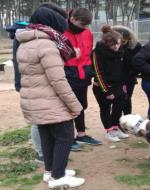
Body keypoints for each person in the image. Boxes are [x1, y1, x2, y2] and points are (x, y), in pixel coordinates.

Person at [16, 6, 85, 188]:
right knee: (65, 136)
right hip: (50, 100)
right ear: (53, 23)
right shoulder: (47, 44)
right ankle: (58, 176)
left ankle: (50, 171)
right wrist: (75, 105)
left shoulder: (26, 41)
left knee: (47, 136)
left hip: (34, 99)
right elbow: (58, 81)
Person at [4, 2, 70, 165]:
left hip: (42, 82)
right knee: (40, 119)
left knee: (46, 120)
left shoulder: (42, 35)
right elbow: (22, 63)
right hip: (34, 84)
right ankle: (42, 153)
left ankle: (50, 158)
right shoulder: (31, 36)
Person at [64, 8, 102, 151]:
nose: (84, 28)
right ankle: (69, 138)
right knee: (68, 107)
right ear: (72, 19)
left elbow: (88, 55)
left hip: (82, 75)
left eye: (87, 25)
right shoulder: (61, 31)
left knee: (81, 105)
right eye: (82, 24)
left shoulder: (88, 33)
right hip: (67, 74)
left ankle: (81, 134)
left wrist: (90, 73)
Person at [92, 26, 129, 142]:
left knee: (119, 107)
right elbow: (98, 73)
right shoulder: (97, 52)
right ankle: (109, 131)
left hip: (118, 86)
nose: (117, 46)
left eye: (118, 44)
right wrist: (106, 91)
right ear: (106, 43)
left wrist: (123, 85)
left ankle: (115, 127)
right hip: (103, 87)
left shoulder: (120, 52)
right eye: (114, 44)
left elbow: (122, 70)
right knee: (105, 109)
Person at [112, 25, 142, 115]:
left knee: (127, 98)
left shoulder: (136, 47)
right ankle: (115, 120)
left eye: (123, 42)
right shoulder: (111, 46)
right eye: (118, 42)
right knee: (116, 100)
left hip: (129, 77)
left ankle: (127, 117)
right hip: (115, 78)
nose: (120, 44)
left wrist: (133, 72)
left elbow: (138, 62)